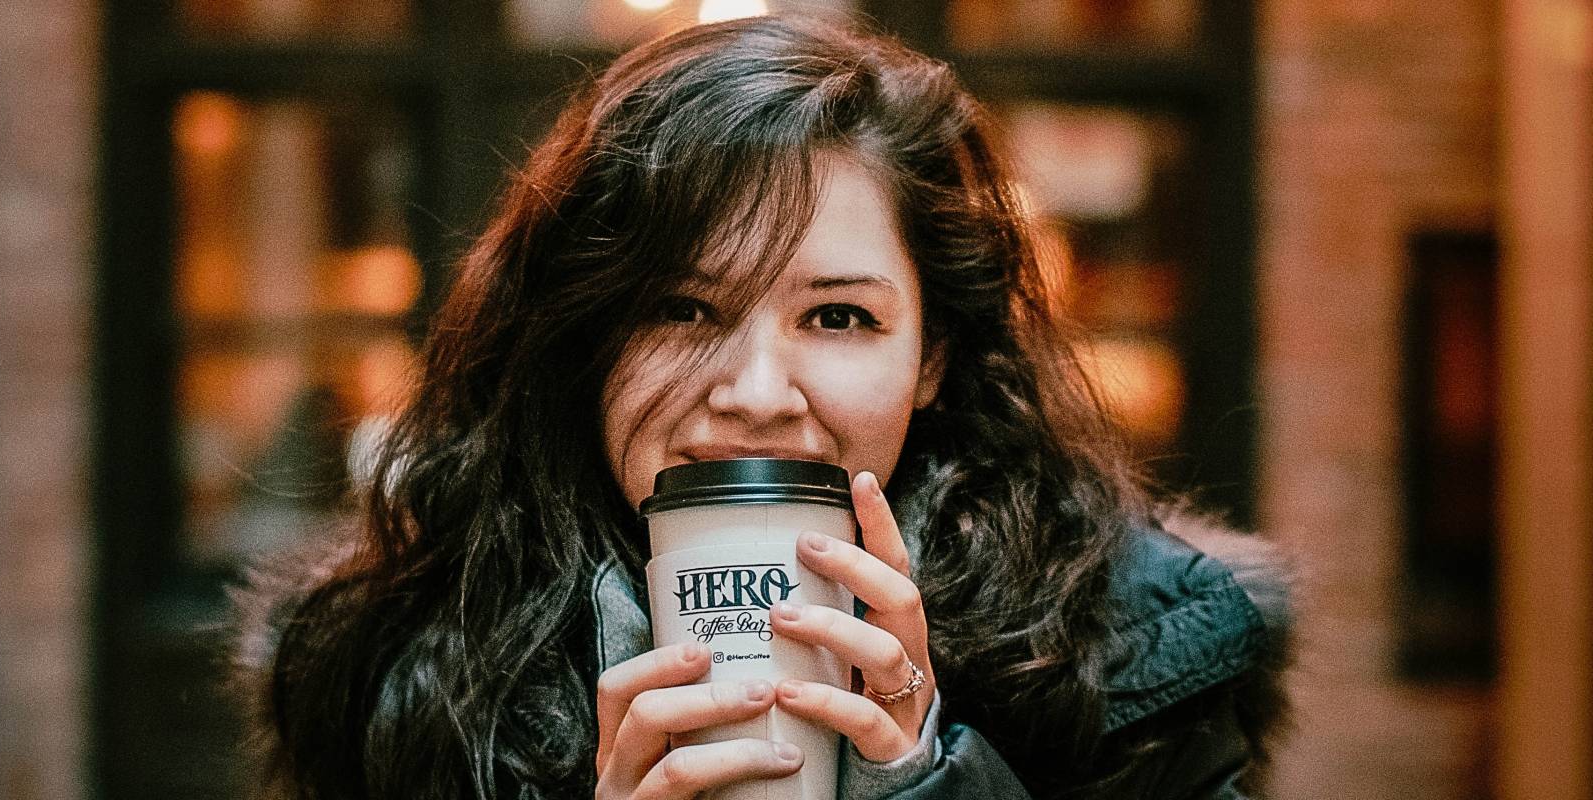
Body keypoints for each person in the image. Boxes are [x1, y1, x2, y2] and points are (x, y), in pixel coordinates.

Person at [232, 13, 1291, 800]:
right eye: (684, 309)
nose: (753, 393)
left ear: (933, 358)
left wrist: (929, 780)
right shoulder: (398, 664)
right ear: (585, 337)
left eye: (837, 318)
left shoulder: (1135, 651)